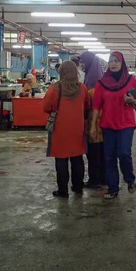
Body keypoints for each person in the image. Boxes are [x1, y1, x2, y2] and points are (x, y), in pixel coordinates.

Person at [91, 51, 136, 199]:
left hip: (126, 124)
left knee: (124, 153)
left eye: (116, 61)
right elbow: (96, 106)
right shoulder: (102, 83)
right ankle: (113, 188)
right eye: (110, 61)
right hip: (107, 125)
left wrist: (134, 102)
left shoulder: (131, 80)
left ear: (122, 63)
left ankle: (129, 179)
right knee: (109, 158)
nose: (113, 64)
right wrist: (93, 126)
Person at [43, 61, 90, 198]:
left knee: (61, 160)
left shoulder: (55, 88)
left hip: (60, 129)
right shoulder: (82, 88)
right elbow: (87, 105)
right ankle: (78, 187)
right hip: (77, 129)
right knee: (77, 158)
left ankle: (63, 191)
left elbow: (45, 107)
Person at [80, 51, 105, 189]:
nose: (82, 65)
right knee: (100, 152)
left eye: (83, 62)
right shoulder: (95, 77)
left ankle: (95, 180)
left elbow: (90, 105)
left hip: (94, 122)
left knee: (94, 152)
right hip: (100, 123)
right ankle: (102, 178)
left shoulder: (93, 82)